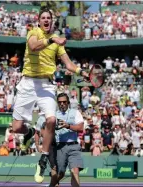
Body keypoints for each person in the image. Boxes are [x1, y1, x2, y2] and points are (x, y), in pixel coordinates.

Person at [11, 9, 88, 183]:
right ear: (39, 21)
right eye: (43, 18)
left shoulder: (57, 42)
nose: (46, 20)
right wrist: (52, 39)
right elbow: (33, 46)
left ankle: (43, 158)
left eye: (49, 18)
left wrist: (81, 71)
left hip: (46, 84)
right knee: (16, 128)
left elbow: (68, 64)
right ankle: (30, 131)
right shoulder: (34, 33)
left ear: (52, 21)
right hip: (28, 83)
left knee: (51, 120)